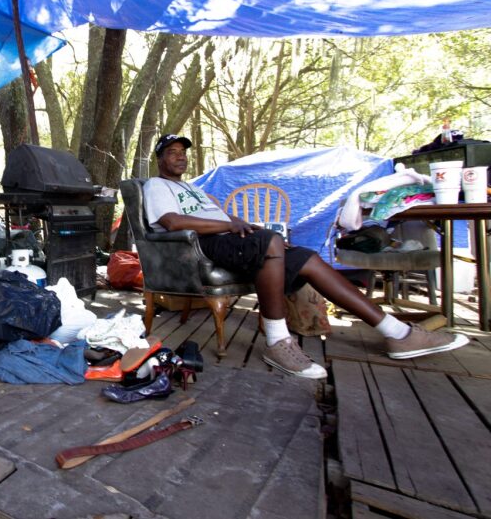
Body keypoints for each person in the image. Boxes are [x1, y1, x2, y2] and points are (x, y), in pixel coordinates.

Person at [143, 134, 469, 379]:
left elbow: (230, 224)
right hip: (204, 246)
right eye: (172, 153)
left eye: (183, 153)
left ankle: (398, 333)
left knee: (307, 257)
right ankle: (277, 342)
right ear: (160, 160)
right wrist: (236, 226)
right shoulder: (156, 186)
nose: (180, 158)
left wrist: (253, 231)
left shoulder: (195, 190)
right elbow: (172, 222)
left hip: (231, 238)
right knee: (272, 241)